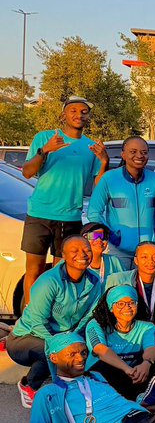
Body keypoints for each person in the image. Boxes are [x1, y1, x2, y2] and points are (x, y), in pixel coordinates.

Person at [21, 96, 107, 299]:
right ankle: (30, 320)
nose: (79, 115)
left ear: (88, 117)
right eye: (74, 110)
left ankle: (56, 319)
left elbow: (99, 186)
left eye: (84, 112)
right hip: (39, 214)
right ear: (63, 115)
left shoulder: (91, 147)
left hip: (69, 218)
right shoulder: (45, 138)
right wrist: (45, 151)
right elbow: (26, 172)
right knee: (35, 271)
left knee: (63, 274)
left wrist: (103, 162)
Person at [10, 236, 104, 406]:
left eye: (86, 250)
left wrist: (74, 338)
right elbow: (37, 322)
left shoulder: (95, 281)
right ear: (64, 255)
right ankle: (29, 385)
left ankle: (80, 391)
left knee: (89, 351)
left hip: (64, 335)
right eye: (74, 251)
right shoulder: (50, 281)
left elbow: (89, 315)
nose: (82, 254)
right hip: (26, 337)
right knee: (54, 352)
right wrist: (62, 343)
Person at [87, 136, 155, 266]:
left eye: (144, 152)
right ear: (123, 154)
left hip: (147, 251)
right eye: (133, 152)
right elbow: (93, 213)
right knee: (118, 285)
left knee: (143, 286)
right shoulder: (109, 178)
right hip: (116, 250)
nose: (139, 156)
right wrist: (109, 236)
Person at [82, 285, 155, 399]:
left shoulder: (147, 327)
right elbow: (100, 350)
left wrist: (146, 364)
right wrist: (126, 369)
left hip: (134, 375)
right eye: (120, 304)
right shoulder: (96, 324)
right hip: (103, 376)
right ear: (111, 307)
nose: (127, 307)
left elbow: (151, 348)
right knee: (104, 367)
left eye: (131, 303)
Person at [106, 240, 155, 324]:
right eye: (144, 257)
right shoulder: (117, 280)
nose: (150, 261)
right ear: (136, 260)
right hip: (122, 331)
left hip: (154, 332)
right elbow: (103, 312)